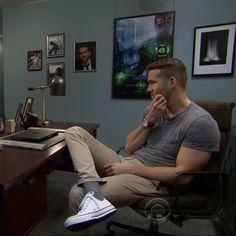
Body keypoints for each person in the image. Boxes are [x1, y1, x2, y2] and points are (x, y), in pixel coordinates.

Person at [64, 58, 220, 230]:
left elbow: (182, 177)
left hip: (154, 181)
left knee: (77, 194)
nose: (148, 89)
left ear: (172, 82)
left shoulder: (200, 122)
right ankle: (93, 190)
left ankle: (92, 196)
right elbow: (130, 147)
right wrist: (149, 121)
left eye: (152, 83)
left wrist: (132, 169)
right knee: (74, 132)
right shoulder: (153, 110)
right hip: (130, 163)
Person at [114, 13, 174, 87]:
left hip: (168, 86)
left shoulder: (174, 42)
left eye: (166, 24)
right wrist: (125, 75)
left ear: (170, 25)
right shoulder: (146, 45)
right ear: (155, 24)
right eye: (160, 24)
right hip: (153, 85)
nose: (163, 28)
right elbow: (140, 67)